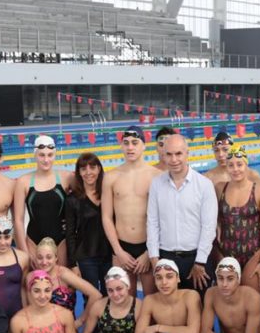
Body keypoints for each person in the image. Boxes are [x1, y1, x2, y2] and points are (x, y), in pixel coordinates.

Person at [146, 134, 217, 291]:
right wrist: (154, 259)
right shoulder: (157, 184)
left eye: (178, 154)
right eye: (169, 154)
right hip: (165, 258)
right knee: (168, 313)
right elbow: (152, 223)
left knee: (198, 310)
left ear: (187, 153)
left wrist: (200, 262)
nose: (174, 159)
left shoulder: (204, 185)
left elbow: (209, 227)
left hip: (196, 259)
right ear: (163, 155)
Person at [101, 127, 160, 295]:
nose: (130, 147)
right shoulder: (111, 177)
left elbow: (165, 218)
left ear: (144, 146)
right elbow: (106, 217)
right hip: (121, 247)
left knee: (152, 300)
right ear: (121, 146)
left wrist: (150, 252)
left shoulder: (157, 176)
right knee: (125, 303)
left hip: (148, 247)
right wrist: (118, 251)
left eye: (135, 143)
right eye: (126, 143)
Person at [215, 146, 260, 298]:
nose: (235, 169)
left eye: (239, 164)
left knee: (252, 302)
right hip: (226, 252)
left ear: (246, 165)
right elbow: (214, 220)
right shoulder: (220, 188)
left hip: (252, 254)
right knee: (227, 303)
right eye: (231, 165)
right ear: (226, 167)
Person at [15, 134, 76, 265]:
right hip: (33, 242)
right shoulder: (23, 182)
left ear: (55, 155)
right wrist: (24, 252)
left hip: (61, 242)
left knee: (61, 283)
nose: (46, 159)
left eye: (50, 155)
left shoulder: (67, 177)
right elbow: (18, 220)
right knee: (36, 283)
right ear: (35, 155)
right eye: (42, 155)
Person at [65, 152, 112, 297]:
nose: (88, 172)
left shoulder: (108, 193)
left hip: (109, 255)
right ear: (78, 172)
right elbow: (70, 233)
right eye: (83, 169)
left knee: (111, 296)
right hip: (86, 257)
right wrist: (73, 264)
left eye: (92, 167)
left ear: (99, 169)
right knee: (92, 298)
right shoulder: (73, 200)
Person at [31, 237, 102, 322]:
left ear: (56, 258)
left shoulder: (63, 274)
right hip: (45, 330)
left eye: (49, 257)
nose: (44, 262)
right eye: (40, 258)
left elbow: (95, 295)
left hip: (67, 330)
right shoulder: (32, 277)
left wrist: (80, 321)